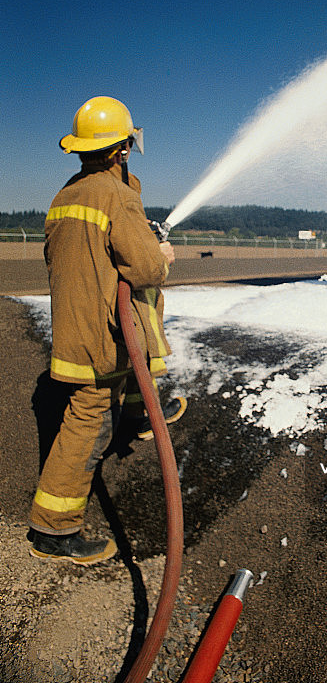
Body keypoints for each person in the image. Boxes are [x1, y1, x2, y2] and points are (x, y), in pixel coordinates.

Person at [29, 96, 182, 565]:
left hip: (77, 324)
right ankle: (53, 530)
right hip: (99, 334)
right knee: (88, 421)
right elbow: (143, 267)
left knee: (131, 365)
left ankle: (138, 417)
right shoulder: (114, 195)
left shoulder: (66, 195)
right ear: (121, 149)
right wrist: (163, 257)